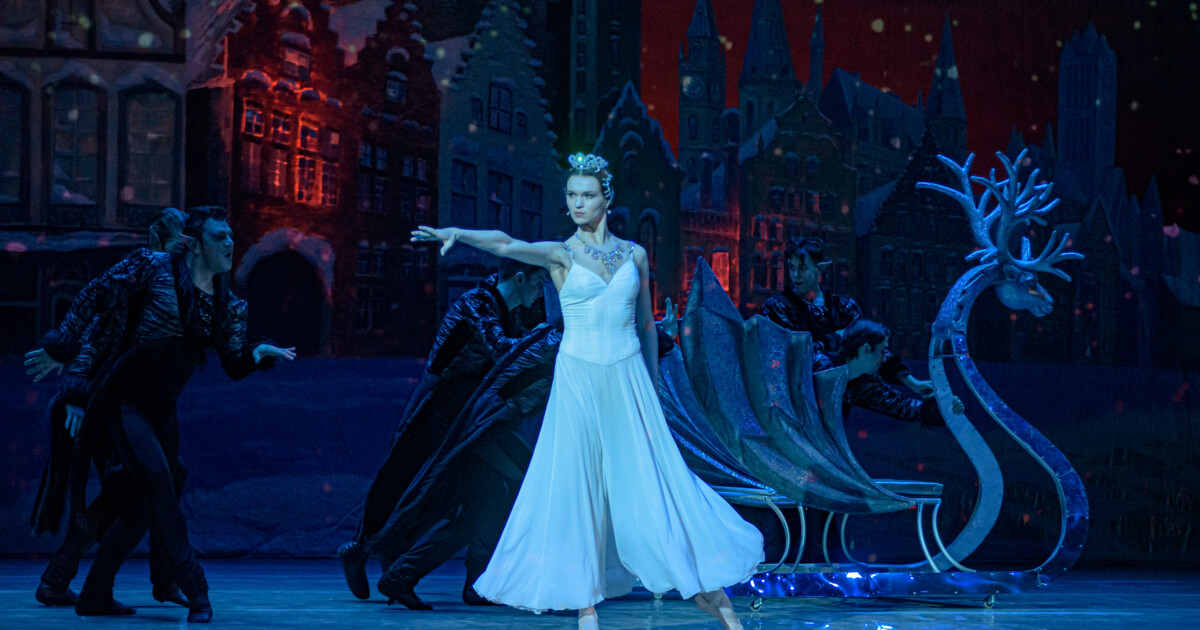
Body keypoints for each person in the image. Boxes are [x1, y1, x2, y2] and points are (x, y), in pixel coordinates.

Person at [412, 153, 763, 630]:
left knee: (653, 483)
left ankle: (709, 591)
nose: (578, 203)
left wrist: (654, 390)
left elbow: (646, 326)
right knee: (577, 486)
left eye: (588, 195)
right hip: (578, 378)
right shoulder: (561, 254)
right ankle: (585, 607)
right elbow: (508, 242)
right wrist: (459, 233)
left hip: (627, 378)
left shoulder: (634, 256)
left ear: (606, 199)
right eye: (572, 196)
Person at [34, 206, 294, 623]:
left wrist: (256, 355)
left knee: (141, 499)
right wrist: (64, 351)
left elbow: (233, 360)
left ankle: (93, 590)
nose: (230, 243)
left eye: (231, 236)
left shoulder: (229, 305)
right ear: (193, 245)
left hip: (160, 410)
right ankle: (194, 588)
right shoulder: (154, 269)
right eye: (220, 237)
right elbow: (96, 302)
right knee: (157, 485)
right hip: (121, 400)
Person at [337, 259, 549, 608]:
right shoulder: (477, 303)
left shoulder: (515, 310)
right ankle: (365, 553)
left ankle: (465, 581)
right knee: (415, 487)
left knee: (484, 493)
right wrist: (557, 335)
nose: (543, 291)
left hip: (475, 411)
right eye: (540, 282)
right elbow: (502, 350)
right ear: (521, 278)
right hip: (446, 408)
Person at [24, 208, 191, 609]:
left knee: (150, 485)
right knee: (141, 490)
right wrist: (75, 390)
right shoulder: (145, 267)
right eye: (181, 242)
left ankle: (64, 580)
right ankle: (148, 582)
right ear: (161, 240)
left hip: (129, 405)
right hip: (108, 405)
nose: (186, 250)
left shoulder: (175, 283)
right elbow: (97, 323)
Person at [759, 237, 935, 396]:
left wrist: (912, 382)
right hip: (794, 401)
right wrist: (838, 338)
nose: (796, 275)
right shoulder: (777, 307)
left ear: (819, 268)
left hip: (837, 404)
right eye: (792, 268)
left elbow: (874, 348)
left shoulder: (844, 308)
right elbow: (791, 355)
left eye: (803, 268)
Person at [836, 319, 964, 424]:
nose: (884, 357)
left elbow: (902, 406)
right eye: (882, 351)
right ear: (866, 349)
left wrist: (945, 407)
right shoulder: (826, 364)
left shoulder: (866, 386)